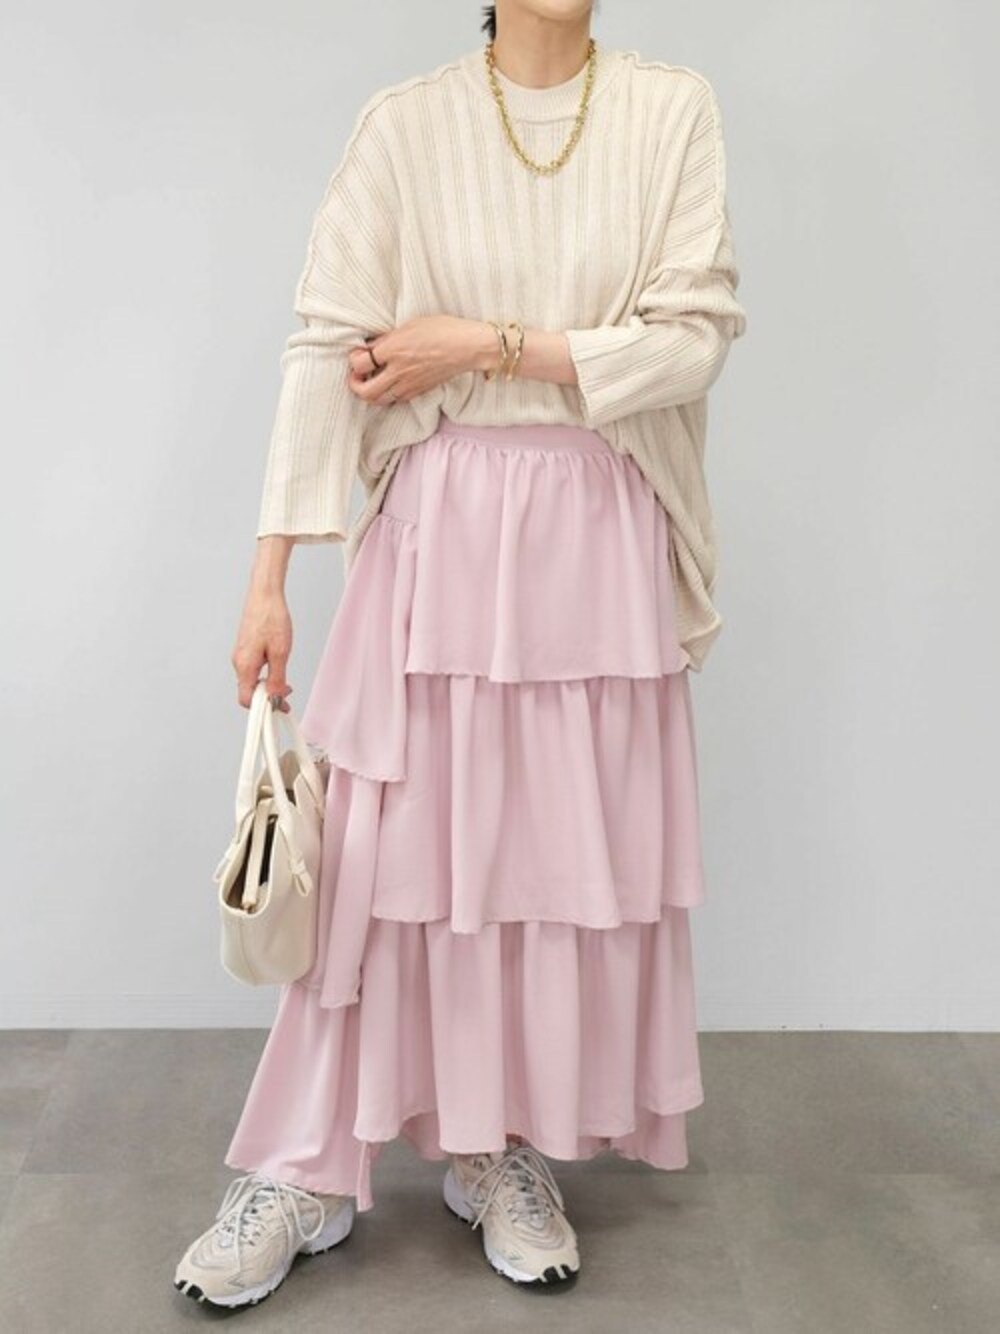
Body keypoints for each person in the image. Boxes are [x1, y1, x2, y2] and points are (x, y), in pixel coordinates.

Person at [174, 0, 747, 1309]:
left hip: (599, 543)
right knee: (379, 867)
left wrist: (480, 344)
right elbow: (324, 349)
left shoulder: (670, 110)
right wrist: (269, 578)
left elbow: (693, 339)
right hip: (438, 541)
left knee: (530, 868)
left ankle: (495, 1146)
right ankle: (303, 1166)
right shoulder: (407, 126)